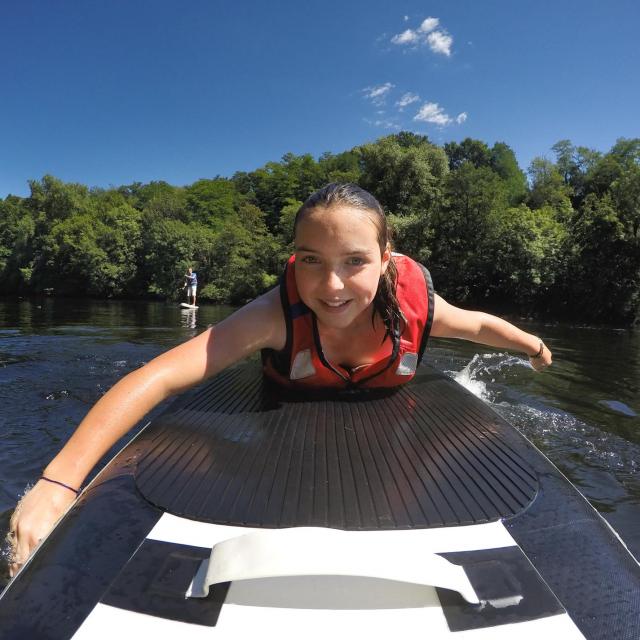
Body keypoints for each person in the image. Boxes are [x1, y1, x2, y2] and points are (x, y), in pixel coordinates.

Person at [8, 182, 552, 576]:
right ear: (295, 258)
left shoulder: (419, 307)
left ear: (387, 261)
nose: (332, 285)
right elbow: (158, 378)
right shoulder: (272, 316)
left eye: (355, 261)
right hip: (281, 415)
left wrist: (530, 345)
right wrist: (58, 485)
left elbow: (478, 325)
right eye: (312, 260)